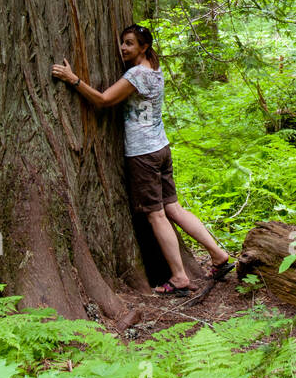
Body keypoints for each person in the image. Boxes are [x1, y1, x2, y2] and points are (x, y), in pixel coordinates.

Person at [51, 24, 232, 296]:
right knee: (173, 209)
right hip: (161, 147)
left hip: (143, 153)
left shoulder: (136, 74)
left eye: (130, 44)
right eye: (122, 42)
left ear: (144, 47)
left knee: (156, 215)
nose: (123, 48)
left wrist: (72, 79)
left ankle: (180, 277)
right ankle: (219, 255)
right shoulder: (155, 68)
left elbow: (102, 100)